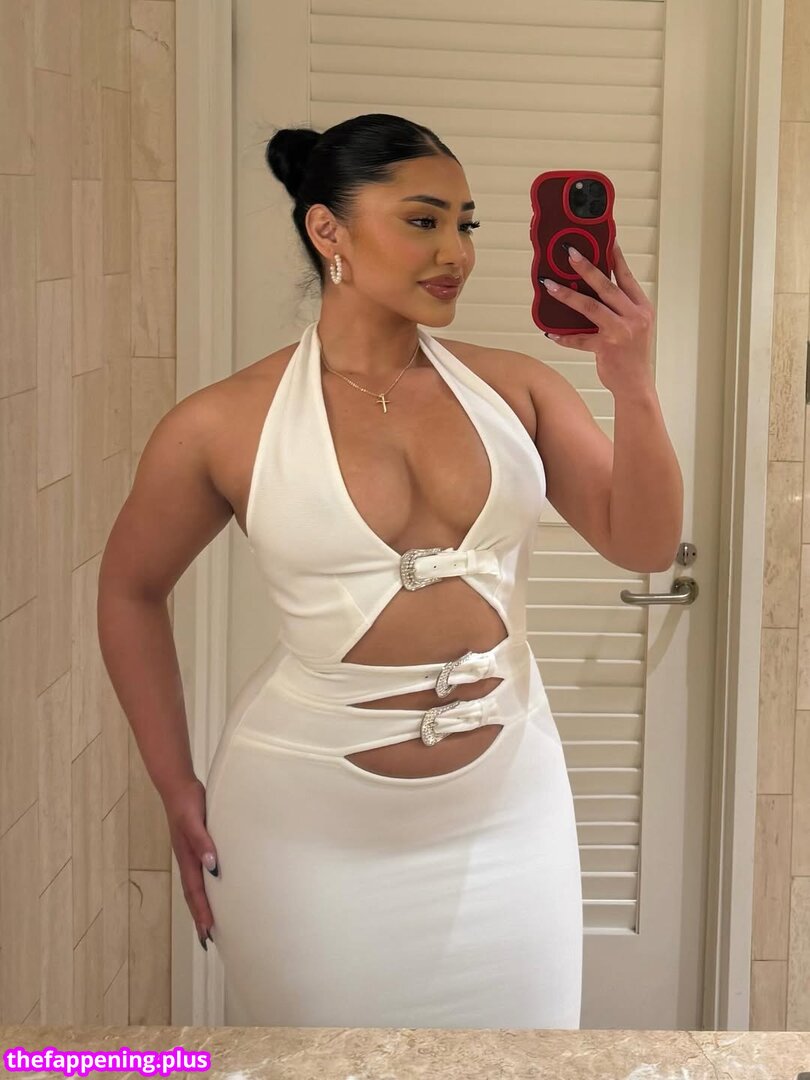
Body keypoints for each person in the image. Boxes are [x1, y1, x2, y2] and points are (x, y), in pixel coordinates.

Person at [98, 112, 668, 1030]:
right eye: (423, 220)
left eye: (466, 225)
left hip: (509, 812)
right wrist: (174, 784)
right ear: (328, 229)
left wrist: (631, 380)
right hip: (304, 828)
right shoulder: (219, 424)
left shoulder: (518, 389)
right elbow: (130, 590)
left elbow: (644, 543)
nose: (455, 252)